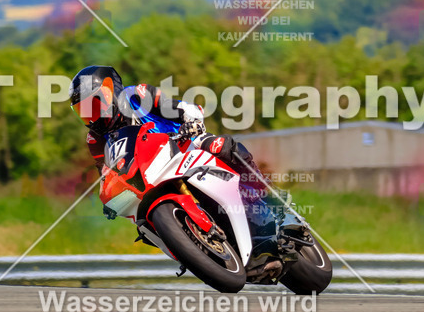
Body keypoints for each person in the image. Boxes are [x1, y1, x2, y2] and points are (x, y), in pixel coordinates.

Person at [68, 65, 293, 216]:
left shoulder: (135, 95)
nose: (91, 116)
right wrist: (109, 200)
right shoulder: (95, 140)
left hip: (182, 145)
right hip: (148, 176)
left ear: (109, 92)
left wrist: (190, 120)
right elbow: (106, 174)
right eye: (83, 111)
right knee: (140, 219)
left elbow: (175, 107)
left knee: (221, 146)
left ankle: (269, 195)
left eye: (94, 105)